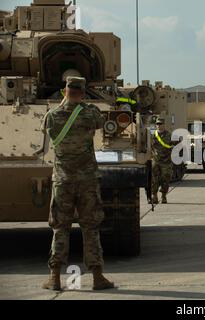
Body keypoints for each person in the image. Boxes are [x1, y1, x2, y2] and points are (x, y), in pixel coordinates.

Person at [41, 77, 114, 291]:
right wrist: (83, 104)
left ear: (64, 91)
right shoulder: (90, 113)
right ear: (82, 93)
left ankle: (54, 277)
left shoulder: (52, 116)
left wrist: (66, 103)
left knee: (60, 228)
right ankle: (98, 277)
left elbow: (47, 130)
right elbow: (100, 122)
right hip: (87, 181)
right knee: (90, 228)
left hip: (62, 180)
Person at [150, 118, 174, 204]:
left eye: (160, 124)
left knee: (166, 178)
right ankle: (154, 196)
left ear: (164, 125)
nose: (159, 126)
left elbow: (173, 146)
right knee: (154, 179)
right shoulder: (152, 135)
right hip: (156, 160)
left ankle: (164, 195)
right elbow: (149, 147)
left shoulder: (169, 135)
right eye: (157, 124)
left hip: (166, 161)